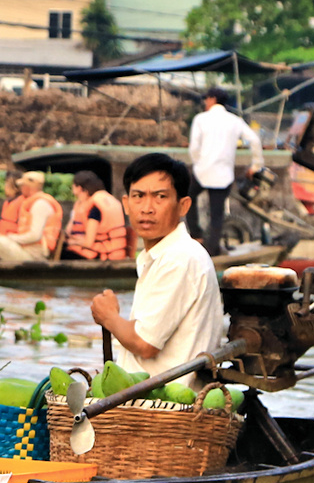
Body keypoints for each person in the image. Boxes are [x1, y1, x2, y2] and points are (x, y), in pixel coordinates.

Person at [89, 152, 225, 383]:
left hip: (165, 405)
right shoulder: (162, 255)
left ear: (183, 205)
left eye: (160, 197)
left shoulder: (179, 258)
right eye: (138, 196)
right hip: (147, 398)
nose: (147, 208)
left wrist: (108, 317)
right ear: (126, 204)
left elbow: (145, 344)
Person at [188, 87, 264, 257]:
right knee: (217, 215)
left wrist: (199, 163)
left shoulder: (201, 119)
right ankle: (211, 251)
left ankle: (196, 234)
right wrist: (256, 166)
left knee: (187, 197)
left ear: (212, 99)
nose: (205, 102)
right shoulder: (234, 120)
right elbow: (255, 140)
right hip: (223, 175)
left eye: (206, 99)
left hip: (202, 172)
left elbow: (194, 148)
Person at [0, 171, 60, 263]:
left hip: (34, 257)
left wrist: (12, 238)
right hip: (26, 250)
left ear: (29, 187)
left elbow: (35, 236)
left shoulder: (40, 204)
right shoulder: (32, 202)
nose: (20, 188)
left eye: (22, 185)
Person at [64, 170, 129, 260]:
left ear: (79, 187)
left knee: (64, 251)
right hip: (114, 251)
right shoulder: (107, 199)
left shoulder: (94, 208)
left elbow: (88, 243)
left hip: (104, 255)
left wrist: (72, 242)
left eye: (73, 185)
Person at [0, 169, 27, 236]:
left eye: (8, 184)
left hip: (12, 237)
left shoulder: (22, 202)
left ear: (17, 187)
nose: (5, 187)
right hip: (1, 236)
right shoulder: (8, 201)